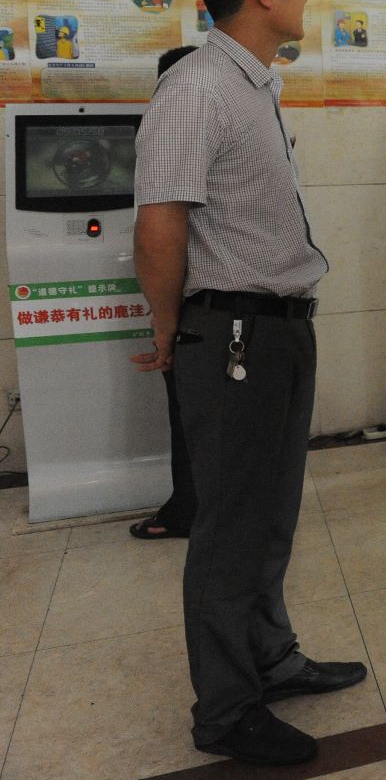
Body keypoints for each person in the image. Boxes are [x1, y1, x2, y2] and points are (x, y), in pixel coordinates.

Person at [132, 0, 365, 767]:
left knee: (270, 514)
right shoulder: (196, 87)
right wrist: (171, 326)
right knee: (230, 527)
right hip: (230, 331)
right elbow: (160, 223)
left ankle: (271, 656)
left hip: (277, 328)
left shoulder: (255, 83)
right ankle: (228, 709)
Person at [129, 44, 199, 542]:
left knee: (190, 416)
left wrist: (165, 324)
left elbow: (157, 237)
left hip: (198, 306)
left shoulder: (174, 136)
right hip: (255, 310)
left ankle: (188, 511)